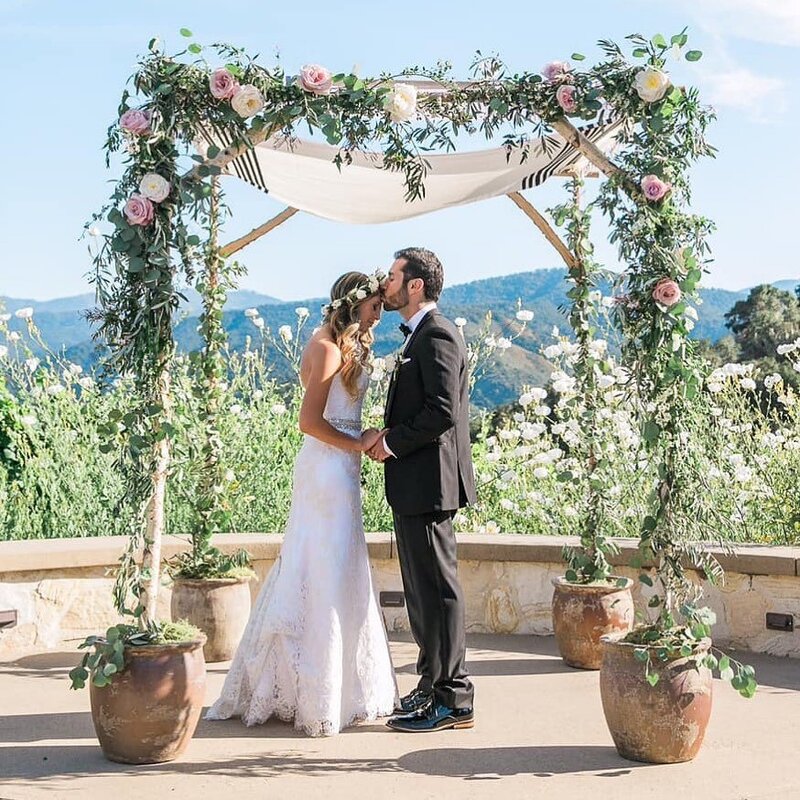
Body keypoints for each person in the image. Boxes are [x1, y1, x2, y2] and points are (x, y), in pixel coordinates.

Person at [206, 271, 398, 736]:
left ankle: (340, 688)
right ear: (355, 305)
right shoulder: (326, 348)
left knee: (341, 569)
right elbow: (309, 423)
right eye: (374, 306)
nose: (379, 314)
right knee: (321, 570)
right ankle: (312, 693)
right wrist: (358, 443)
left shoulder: (347, 346)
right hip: (326, 473)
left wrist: (362, 439)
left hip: (343, 473)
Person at [367, 247, 477, 733]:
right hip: (415, 485)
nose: (385, 284)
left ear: (415, 285)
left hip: (431, 485)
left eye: (392, 276)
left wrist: (389, 442)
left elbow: (441, 413)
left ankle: (454, 698)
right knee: (420, 592)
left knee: (438, 591)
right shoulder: (421, 335)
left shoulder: (437, 335)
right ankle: (431, 682)